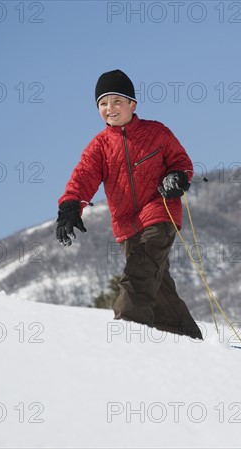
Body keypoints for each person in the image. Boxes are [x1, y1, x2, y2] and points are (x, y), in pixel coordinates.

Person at [55, 69, 203, 340]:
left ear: (132, 104)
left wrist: (178, 177)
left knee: (139, 273)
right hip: (126, 226)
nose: (109, 108)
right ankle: (186, 336)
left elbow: (181, 161)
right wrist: (70, 207)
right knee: (157, 287)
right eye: (102, 103)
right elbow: (83, 177)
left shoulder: (156, 132)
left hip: (160, 212)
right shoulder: (99, 146)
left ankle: (128, 329)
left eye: (116, 101)